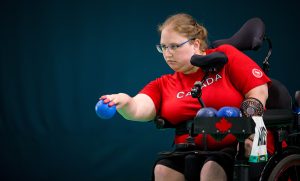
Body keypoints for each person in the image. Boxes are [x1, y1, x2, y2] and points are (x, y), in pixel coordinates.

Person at [99, 13, 271, 181]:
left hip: (239, 145)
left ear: (196, 44)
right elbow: (138, 108)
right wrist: (125, 102)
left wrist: (250, 135)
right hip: (192, 151)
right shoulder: (164, 84)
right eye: (163, 47)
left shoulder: (225, 57)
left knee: (212, 167)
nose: (167, 53)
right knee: (163, 170)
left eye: (174, 46)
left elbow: (258, 92)